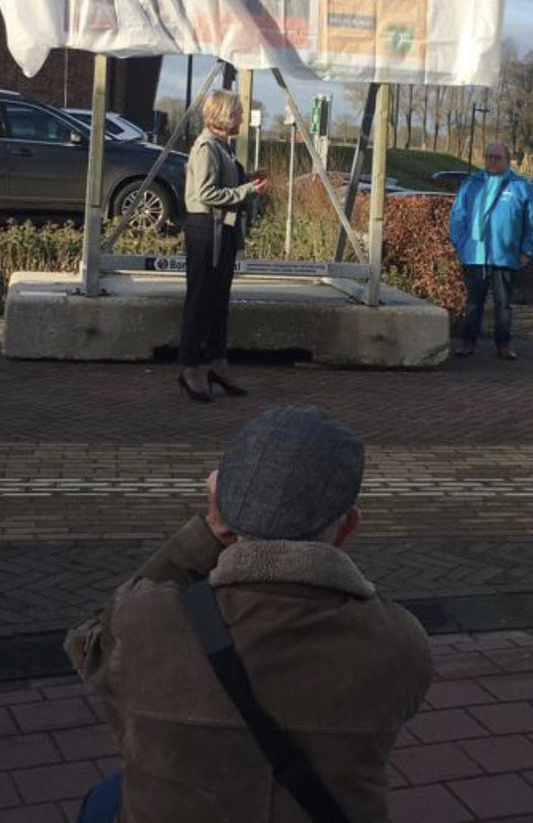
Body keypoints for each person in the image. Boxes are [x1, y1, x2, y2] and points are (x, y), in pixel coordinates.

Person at [66, 405, 433, 823]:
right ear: (348, 526)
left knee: (106, 797)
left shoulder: (144, 619)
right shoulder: (400, 644)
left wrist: (206, 534)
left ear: (222, 508)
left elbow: (86, 644)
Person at [178, 89, 266, 402]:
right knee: (200, 299)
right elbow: (205, 193)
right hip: (206, 230)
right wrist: (246, 191)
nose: (242, 117)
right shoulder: (206, 147)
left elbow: (221, 185)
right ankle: (190, 366)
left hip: (221, 230)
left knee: (218, 300)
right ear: (226, 115)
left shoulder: (222, 147)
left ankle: (217, 363)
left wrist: (248, 180)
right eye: (239, 112)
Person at [450, 140, 533, 360]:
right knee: (473, 302)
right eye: (489, 157)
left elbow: (532, 222)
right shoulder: (471, 184)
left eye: (497, 157)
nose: (492, 161)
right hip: (475, 254)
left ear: (507, 160)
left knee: (503, 304)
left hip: (505, 255)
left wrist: (526, 251)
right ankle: (468, 342)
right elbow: (457, 216)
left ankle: (503, 345)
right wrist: (460, 243)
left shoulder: (520, 187)